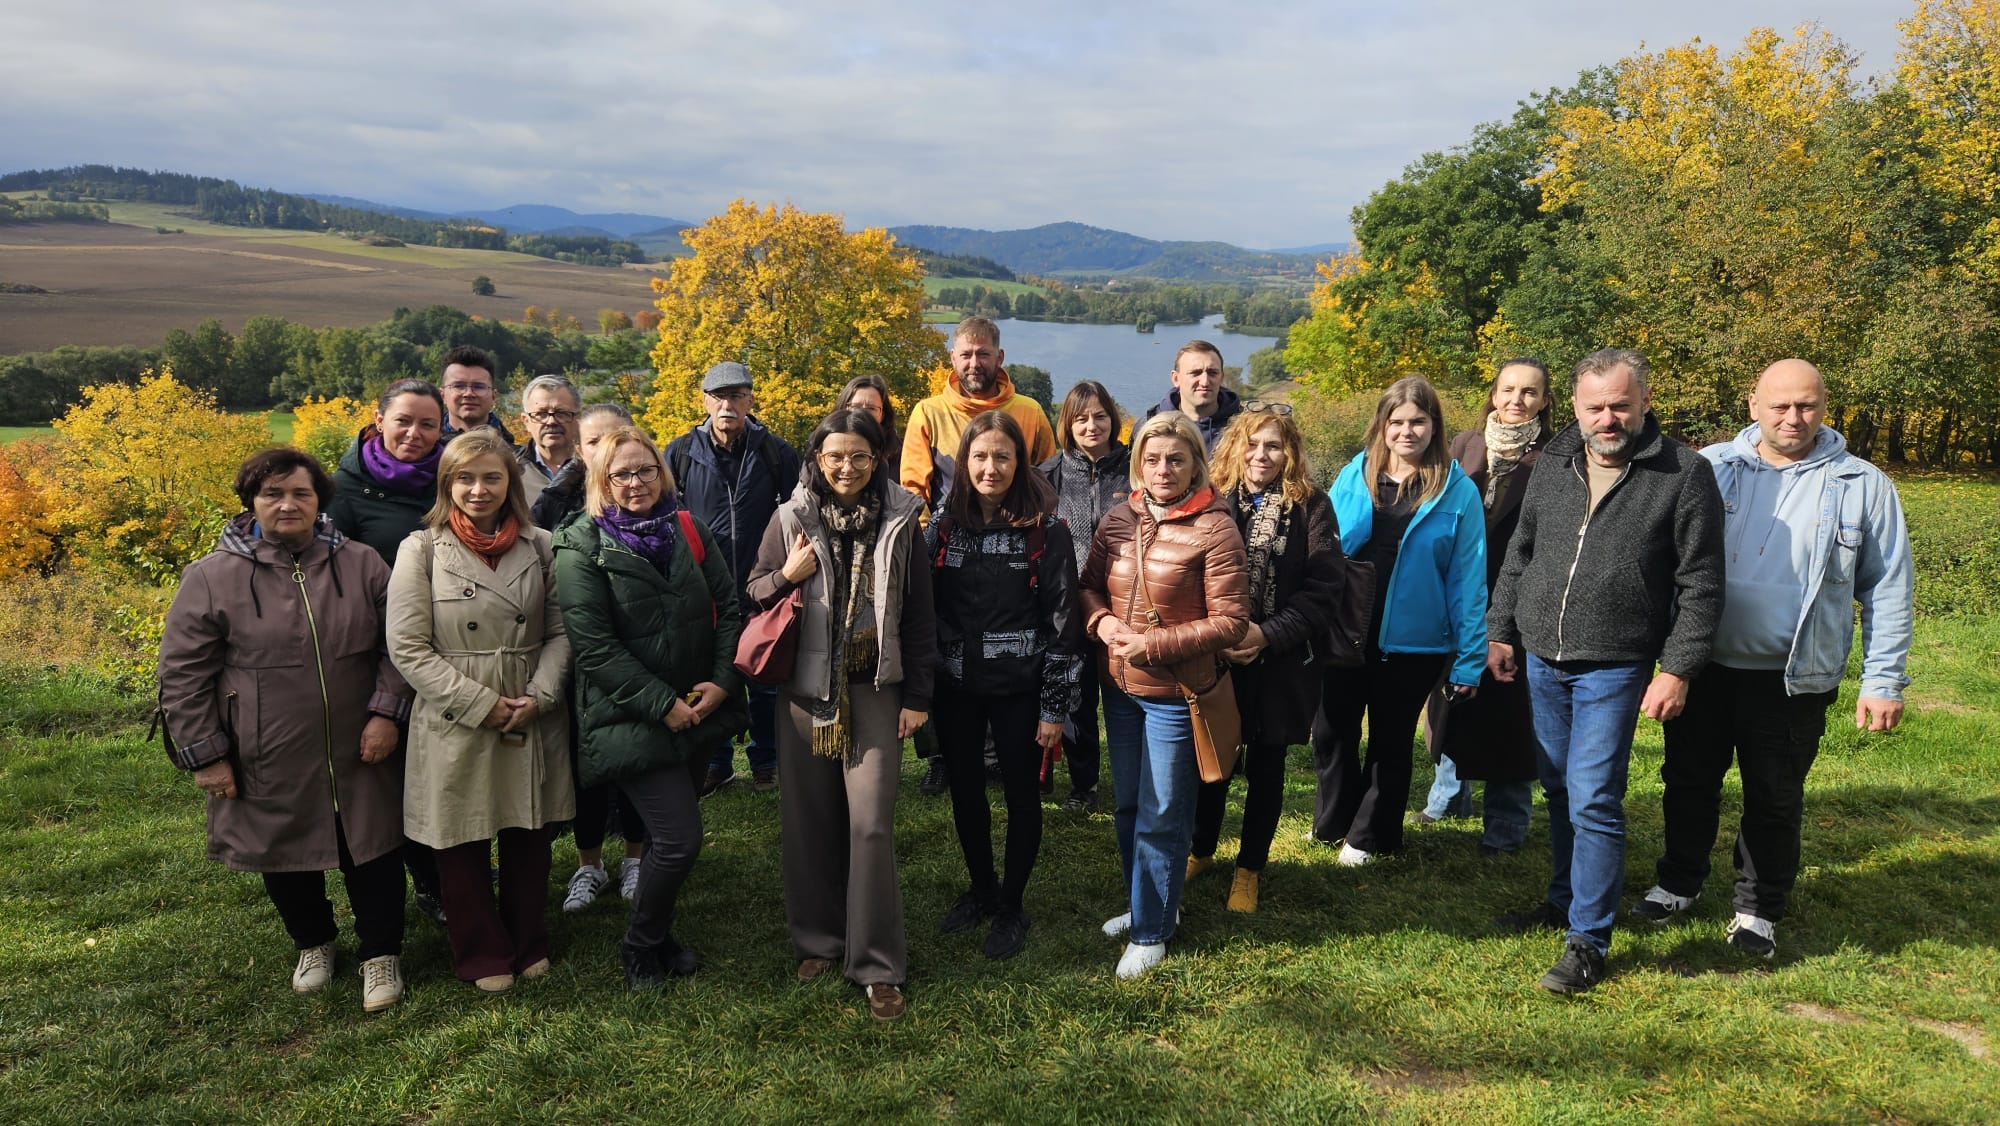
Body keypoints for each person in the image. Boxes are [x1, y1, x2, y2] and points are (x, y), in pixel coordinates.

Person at [1630, 358, 1912, 959]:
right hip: (1701, 667)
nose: (1793, 417)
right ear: (1753, 404)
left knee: (1774, 796)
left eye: (1806, 405)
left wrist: (1883, 680)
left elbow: (1888, 587)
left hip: (1792, 676)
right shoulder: (1708, 468)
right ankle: (1678, 882)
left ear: (1824, 407)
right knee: (1687, 781)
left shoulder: (1862, 485)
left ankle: (1757, 909)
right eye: (1780, 405)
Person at [1487, 348, 1725, 994]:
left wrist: (1678, 668)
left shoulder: (1682, 473)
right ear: (1575, 406)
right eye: (1595, 407)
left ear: (1645, 401)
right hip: (1542, 655)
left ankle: (1588, 942)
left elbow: (1702, 583)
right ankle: (1565, 899)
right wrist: (1500, 629)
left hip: (1616, 663)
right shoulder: (1556, 460)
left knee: (1593, 795)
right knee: (1559, 786)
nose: (1608, 418)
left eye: (1621, 405)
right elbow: (1521, 551)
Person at [157, 448, 414, 1012]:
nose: (287, 504)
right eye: (272, 494)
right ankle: (314, 942)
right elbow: (182, 674)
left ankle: (381, 952)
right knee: (280, 847)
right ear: (251, 502)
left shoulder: (363, 563)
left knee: (372, 846)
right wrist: (207, 755)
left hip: (360, 742)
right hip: (263, 746)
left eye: (301, 492)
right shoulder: (212, 577)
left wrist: (386, 713)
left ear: (320, 500)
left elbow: (399, 644)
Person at [745, 408, 936, 1021]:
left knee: (871, 825)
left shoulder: (902, 518)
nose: (846, 467)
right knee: (810, 821)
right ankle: (820, 941)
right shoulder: (790, 516)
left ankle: (877, 965)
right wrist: (787, 574)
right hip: (806, 692)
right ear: (817, 459)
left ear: (878, 458)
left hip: (875, 686)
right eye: (834, 456)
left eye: (859, 456)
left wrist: (918, 697)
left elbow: (920, 615)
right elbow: (753, 592)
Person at [554, 426, 748, 988]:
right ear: (601, 480)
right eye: (621, 474)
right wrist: (661, 704)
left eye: (646, 470)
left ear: (662, 474)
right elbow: (594, 647)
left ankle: (660, 937)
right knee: (681, 838)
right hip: (630, 717)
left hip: (698, 708)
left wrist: (722, 682)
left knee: (667, 841)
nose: (636, 483)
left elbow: (728, 608)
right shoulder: (580, 544)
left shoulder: (688, 528)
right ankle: (639, 947)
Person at [386, 428, 574, 994]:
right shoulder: (421, 549)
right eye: (464, 478)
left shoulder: (540, 545)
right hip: (456, 710)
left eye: (491, 477)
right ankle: (481, 950)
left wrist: (540, 696)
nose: (478, 489)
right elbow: (407, 647)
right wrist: (479, 704)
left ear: (509, 483)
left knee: (529, 831)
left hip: (529, 704)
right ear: (447, 484)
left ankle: (528, 939)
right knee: (460, 837)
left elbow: (561, 633)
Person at [1079, 411, 1249, 980]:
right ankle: (1149, 903)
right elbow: (1087, 588)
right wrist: (1102, 622)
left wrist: (1150, 645)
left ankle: (1151, 931)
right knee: (1129, 806)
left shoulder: (1215, 528)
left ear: (1196, 464)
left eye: (1176, 459)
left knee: (1162, 811)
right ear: (1137, 464)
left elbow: (1231, 622)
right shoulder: (1118, 519)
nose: (1163, 469)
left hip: (1176, 694)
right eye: (1151, 459)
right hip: (1121, 690)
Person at [1310, 377, 1487, 866]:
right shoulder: (1354, 474)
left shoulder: (1457, 491)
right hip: (1346, 630)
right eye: (1397, 421)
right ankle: (1333, 821)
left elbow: (1469, 579)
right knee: (1331, 732)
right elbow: (1323, 546)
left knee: (1389, 741)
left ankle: (1370, 835)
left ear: (1435, 426)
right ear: (1382, 425)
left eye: (1418, 421)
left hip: (1413, 641)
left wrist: (1469, 659)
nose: (1407, 431)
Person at [927, 411, 1084, 961]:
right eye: (979, 456)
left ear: (1020, 463)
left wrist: (1053, 709)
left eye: (1002, 456)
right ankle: (982, 889)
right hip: (956, 686)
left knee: (1020, 795)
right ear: (964, 462)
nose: (990, 467)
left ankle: (1012, 905)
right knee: (966, 792)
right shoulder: (942, 527)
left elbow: (1064, 625)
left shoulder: (1046, 531)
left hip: (1021, 689)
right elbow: (924, 607)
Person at [1188, 403, 1343, 912]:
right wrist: (1217, 635)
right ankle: (1200, 849)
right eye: (1252, 444)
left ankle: (1249, 868)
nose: (1261, 455)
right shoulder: (1211, 500)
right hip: (1217, 659)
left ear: (1289, 452)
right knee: (1212, 761)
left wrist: (1266, 634)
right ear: (1234, 447)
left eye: (1273, 445)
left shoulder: (1312, 506)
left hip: (1280, 661)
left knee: (1267, 767)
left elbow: (1324, 590)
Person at [327, 378, 451, 926]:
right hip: (379, 652)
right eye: (403, 420)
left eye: (428, 424)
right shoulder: (343, 490)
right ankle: (422, 879)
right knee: (395, 776)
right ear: (378, 420)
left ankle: (447, 872)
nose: (414, 433)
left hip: (452, 645)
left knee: (440, 772)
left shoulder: (453, 476)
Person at [1417, 360, 1553, 855]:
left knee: (1509, 717)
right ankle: (1448, 798)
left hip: (1518, 603)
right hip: (1457, 598)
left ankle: (1505, 827)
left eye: (1530, 392)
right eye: (1508, 389)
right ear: (1494, 394)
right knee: (1451, 701)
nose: (1517, 400)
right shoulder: (1464, 446)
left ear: (1544, 401)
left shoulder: (1556, 459)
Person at [532, 402, 651, 912]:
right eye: (595, 442)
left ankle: (636, 857)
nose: (607, 449)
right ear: (580, 451)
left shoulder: (649, 499)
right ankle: (589, 864)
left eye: (616, 437)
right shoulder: (555, 504)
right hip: (579, 657)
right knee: (587, 767)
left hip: (642, 656)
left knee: (639, 761)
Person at [665, 361, 803, 796]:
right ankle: (717, 762)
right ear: (704, 401)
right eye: (719, 396)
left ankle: (766, 761)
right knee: (709, 675)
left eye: (737, 395)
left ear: (750, 400)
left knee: (764, 678)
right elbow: (667, 516)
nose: (728, 404)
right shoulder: (680, 452)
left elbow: (797, 512)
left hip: (763, 582)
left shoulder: (775, 451)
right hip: (704, 586)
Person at [1037, 380, 1131, 812]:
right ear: (1067, 425)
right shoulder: (1048, 474)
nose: (1092, 426)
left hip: (1126, 604)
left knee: (1128, 697)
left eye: (1100, 416)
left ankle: (1135, 778)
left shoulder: (1135, 468)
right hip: (1068, 606)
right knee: (1076, 697)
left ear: (1113, 418)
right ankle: (1084, 784)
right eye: (1081, 418)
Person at [900, 315, 1057, 505]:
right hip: (946, 523)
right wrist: (930, 525)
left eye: (983, 354)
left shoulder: (1030, 412)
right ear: (953, 358)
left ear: (999, 358)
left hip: (1018, 522)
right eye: (966, 355)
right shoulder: (928, 413)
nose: (974, 364)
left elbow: (1048, 483)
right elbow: (914, 490)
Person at [1145, 341, 1243, 451]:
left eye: (1212, 373)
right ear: (1176, 379)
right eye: (1195, 373)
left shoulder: (1244, 427)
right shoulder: (1149, 426)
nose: (1205, 382)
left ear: (1221, 378)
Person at [514, 374, 582, 509]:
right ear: (526, 421)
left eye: (561, 413)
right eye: (541, 414)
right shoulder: (511, 471)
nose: (551, 421)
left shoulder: (597, 468)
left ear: (578, 419)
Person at [438, 345, 517, 443]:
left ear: (493, 396)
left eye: (478, 387)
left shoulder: (514, 452)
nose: (469, 393)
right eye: (459, 386)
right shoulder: (426, 450)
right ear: (442, 396)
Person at [833, 374, 900, 484]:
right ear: (843, 408)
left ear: (882, 415)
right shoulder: (822, 446)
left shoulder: (898, 452)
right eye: (855, 406)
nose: (863, 413)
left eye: (871, 408)